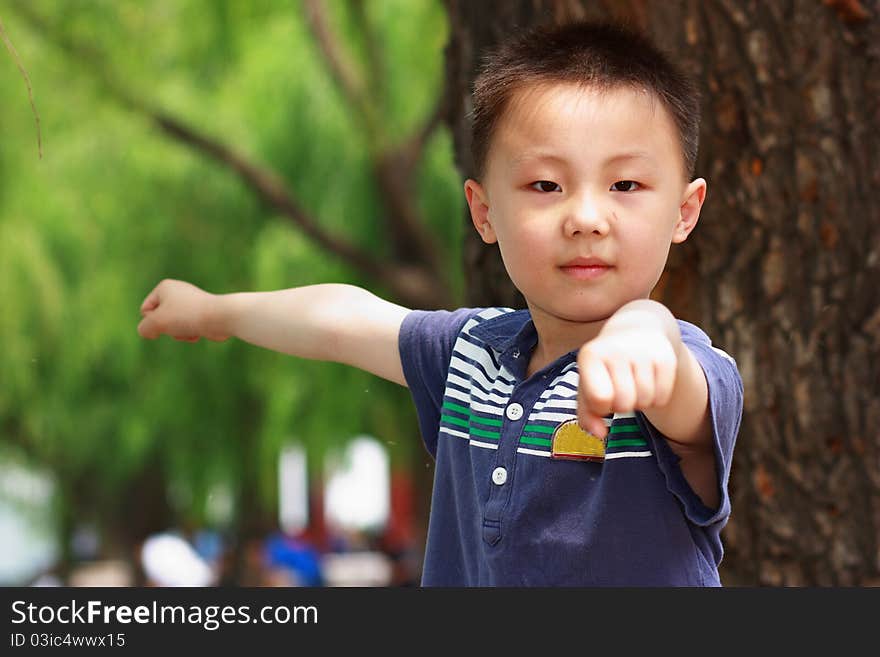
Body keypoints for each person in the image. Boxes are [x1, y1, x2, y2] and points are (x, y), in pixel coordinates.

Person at [137, 20, 743, 586]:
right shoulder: (468, 355)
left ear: (684, 211)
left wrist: (643, 330)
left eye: (625, 185)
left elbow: (674, 381)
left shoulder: (682, 370)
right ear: (484, 212)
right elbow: (343, 320)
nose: (586, 218)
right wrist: (217, 311)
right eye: (545, 185)